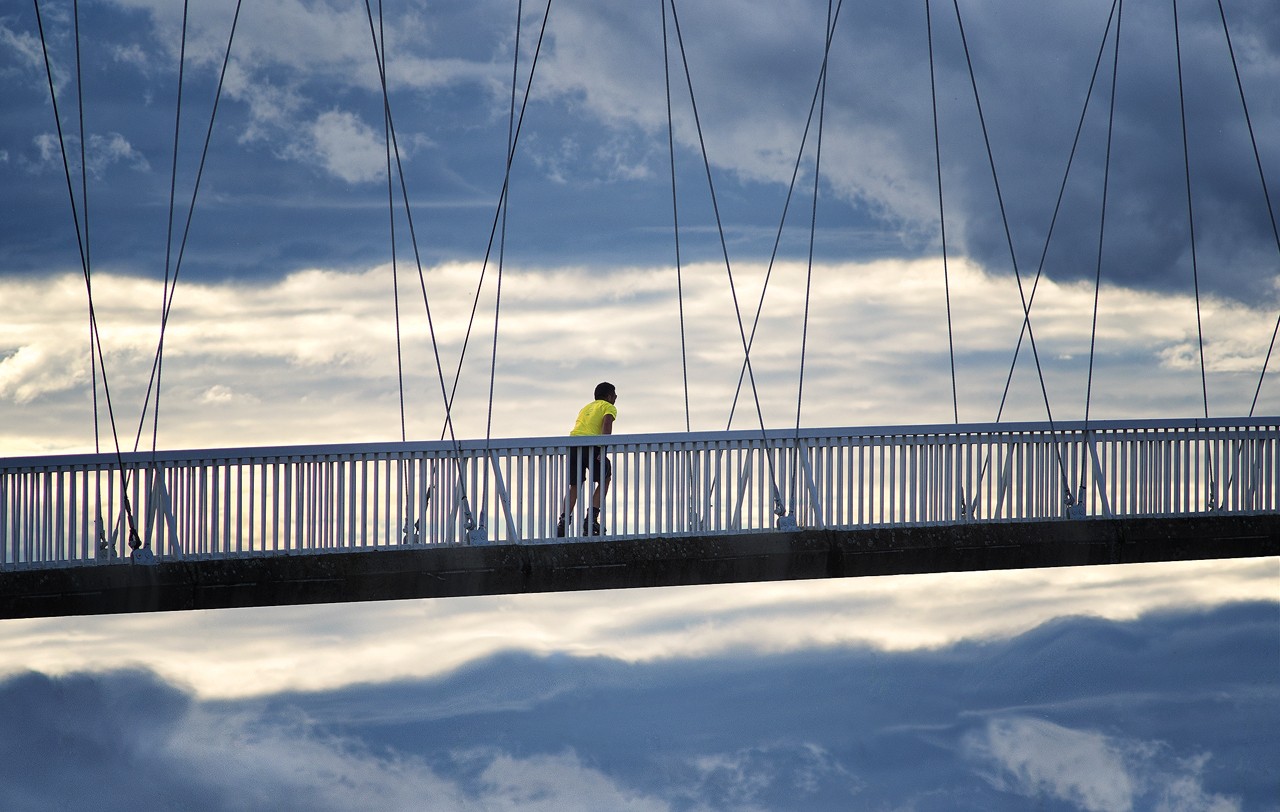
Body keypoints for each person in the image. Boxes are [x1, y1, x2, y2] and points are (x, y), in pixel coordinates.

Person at [557, 382, 618, 536]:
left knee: (575, 485)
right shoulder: (608, 406)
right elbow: (607, 423)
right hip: (592, 446)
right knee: (605, 478)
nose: (616, 397)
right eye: (615, 394)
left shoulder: (585, 407)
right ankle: (591, 520)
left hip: (573, 444)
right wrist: (603, 448)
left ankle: (564, 521)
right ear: (609, 396)